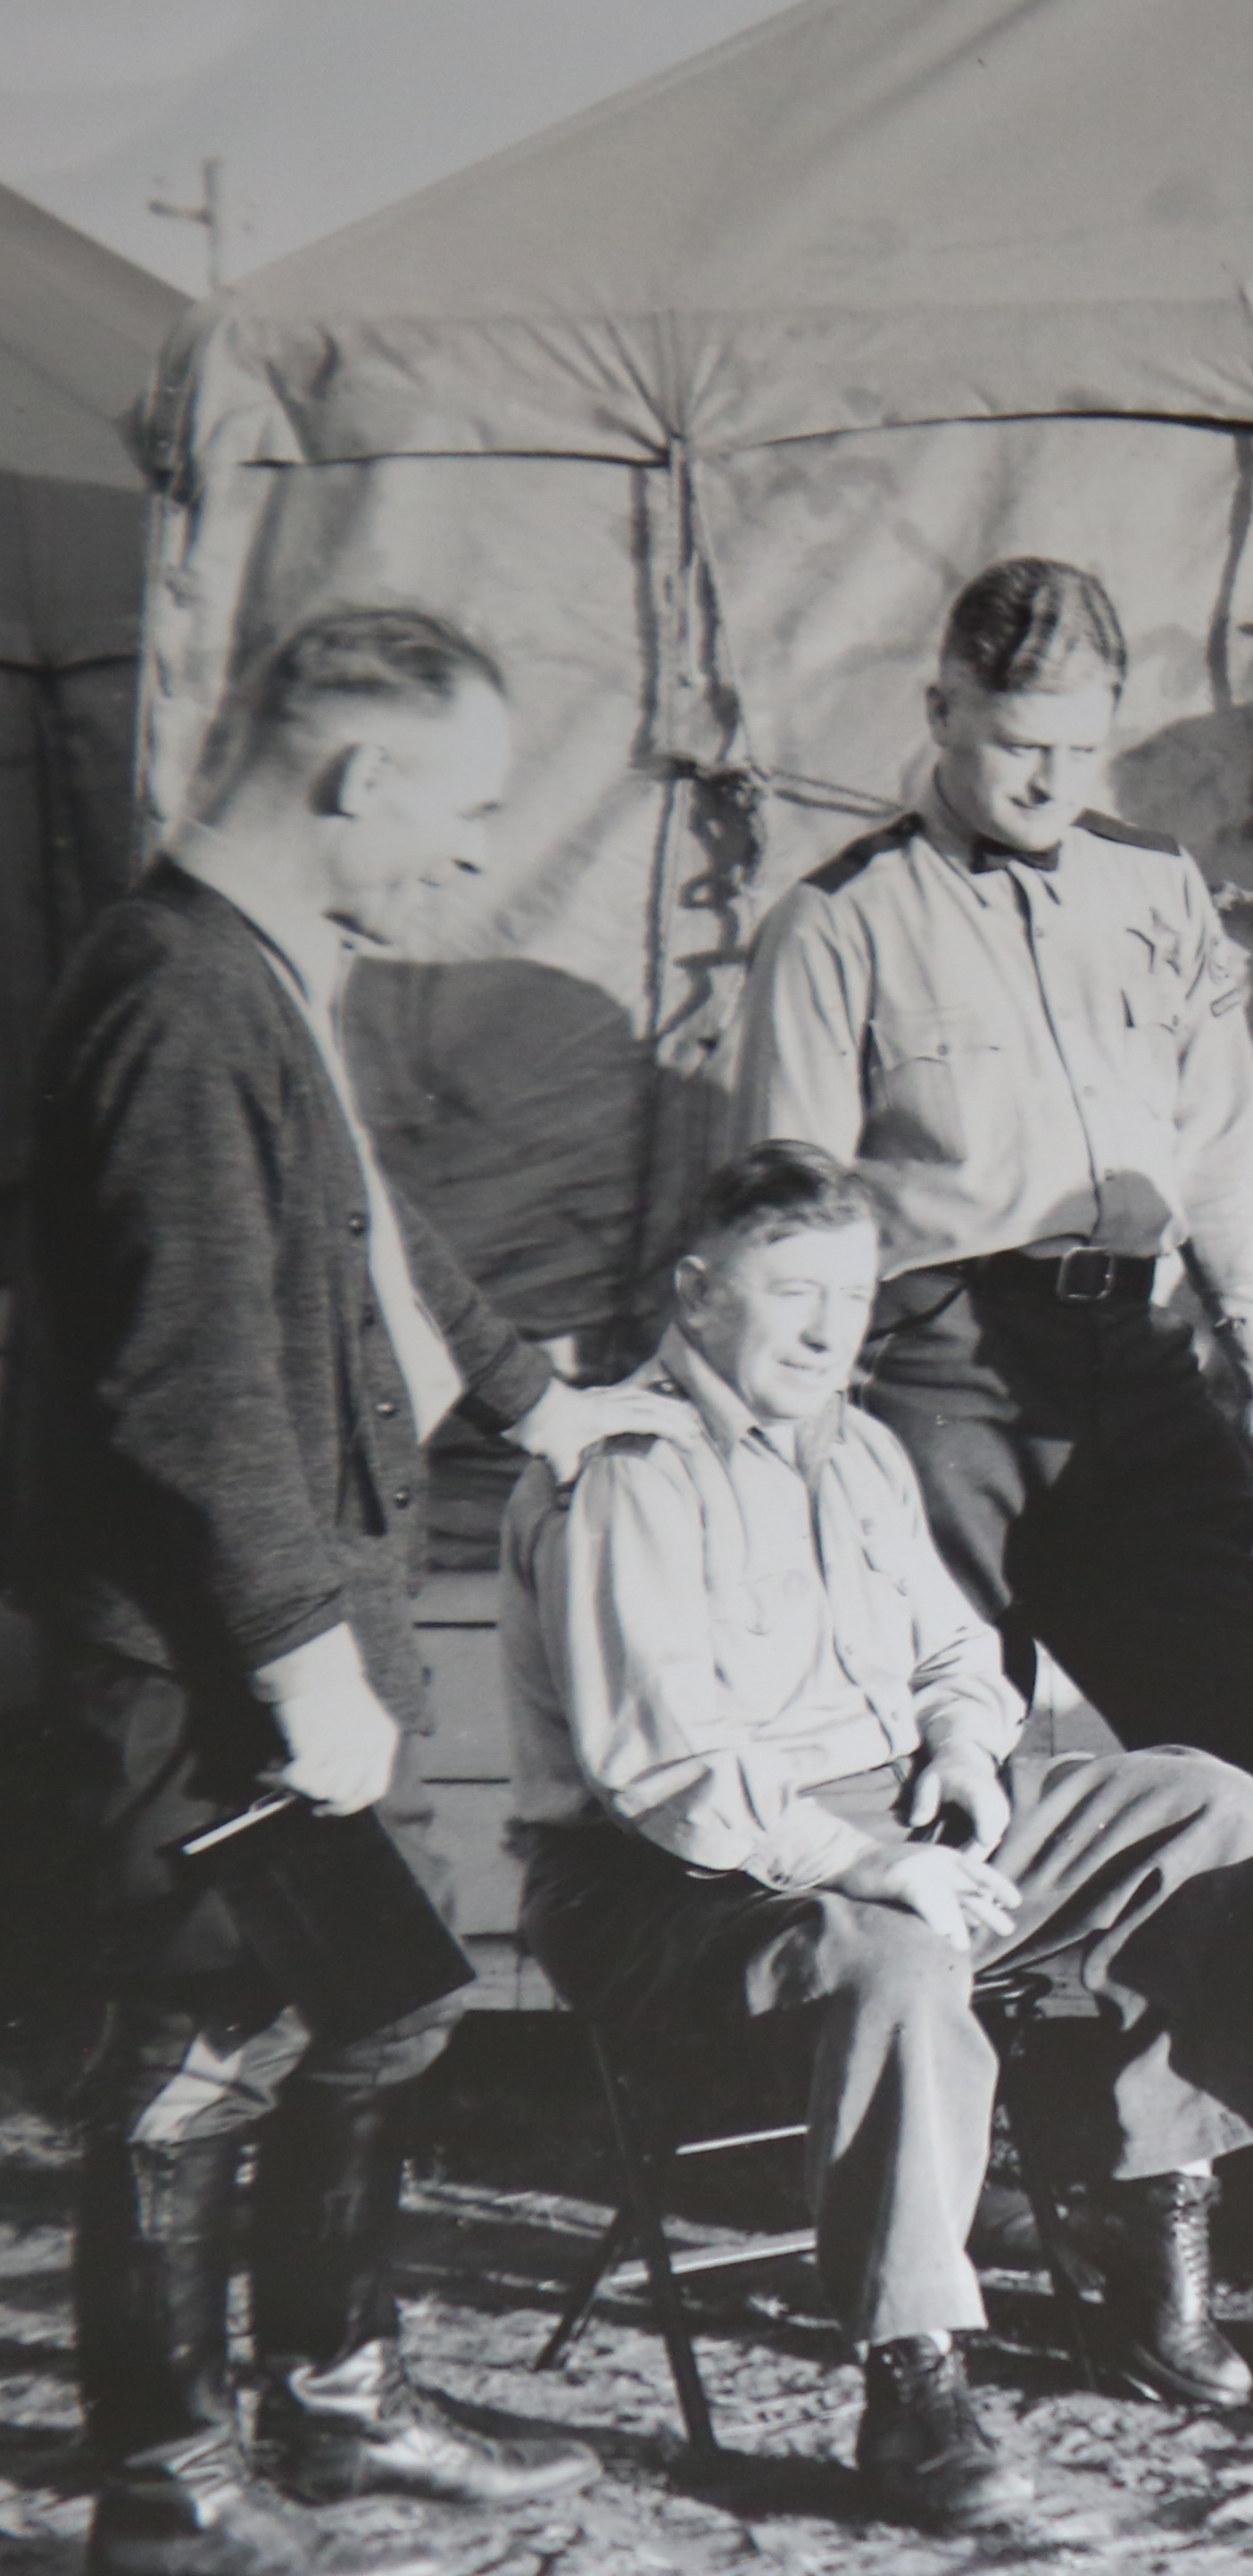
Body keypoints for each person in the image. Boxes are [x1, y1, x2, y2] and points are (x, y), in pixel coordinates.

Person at [14, 611, 684, 2576]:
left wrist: (542, 1403)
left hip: (303, 1621)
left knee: (370, 2010)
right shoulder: (170, 1001)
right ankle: (168, 2474)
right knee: (205, 2033)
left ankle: (336, 2396)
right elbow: (189, 1383)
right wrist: (308, 1661)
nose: (469, 859)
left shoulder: (266, 976)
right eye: (460, 814)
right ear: (357, 778)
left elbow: (371, 1233)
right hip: (213, 1651)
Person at [505, 1142, 1253, 2533]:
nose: (832, 1330)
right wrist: (881, 1864)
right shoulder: (627, 1469)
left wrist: (960, 1745)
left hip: (887, 1809)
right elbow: (669, 1771)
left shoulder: (864, 1447)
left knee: (1212, 1807)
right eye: (791, 1294)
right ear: (698, 1295)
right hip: (670, 1876)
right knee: (895, 1957)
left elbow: (953, 1645)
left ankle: (1147, 2231)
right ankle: (915, 2384)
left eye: (854, 1294)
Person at [734, 557, 1253, 1791]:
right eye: (1016, 746)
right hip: (936, 1375)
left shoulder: (1154, 886)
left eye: (1081, 747)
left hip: (1138, 1358)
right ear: (941, 710)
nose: (1051, 781)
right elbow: (780, 1226)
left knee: (1235, 1744)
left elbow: (1219, 1138)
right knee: (945, 1755)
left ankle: (1220, 1986)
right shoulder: (839, 921)